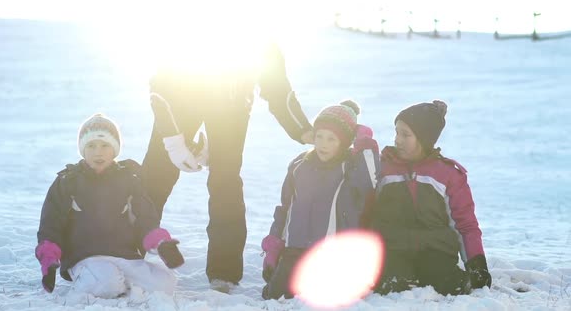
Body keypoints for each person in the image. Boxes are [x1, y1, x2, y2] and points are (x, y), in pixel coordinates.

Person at [141, 43, 314, 287]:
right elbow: (160, 88)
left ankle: (224, 272)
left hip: (230, 110)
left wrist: (302, 129)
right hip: (180, 100)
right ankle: (126, 252)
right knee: (155, 174)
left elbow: (276, 85)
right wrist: (172, 138)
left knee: (226, 182)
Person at [36, 113, 185, 298]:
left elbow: (145, 218)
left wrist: (161, 244)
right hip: (85, 257)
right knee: (108, 285)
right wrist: (49, 260)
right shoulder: (68, 181)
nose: (98, 152)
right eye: (91, 146)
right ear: (82, 149)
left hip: (123, 255)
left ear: (115, 149)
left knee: (166, 285)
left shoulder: (129, 178)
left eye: (105, 145)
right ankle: (95, 281)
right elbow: (51, 224)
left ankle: (120, 281)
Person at [361, 100, 492, 296]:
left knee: (448, 284)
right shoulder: (383, 169)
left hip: (435, 248)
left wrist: (476, 263)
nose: (397, 140)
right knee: (392, 285)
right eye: (397, 132)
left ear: (424, 139)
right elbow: (363, 210)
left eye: (405, 134)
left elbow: (464, 224)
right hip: (392, 248)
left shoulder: (447, 175)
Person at [260, 100, 380, 300]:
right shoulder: (299, 165)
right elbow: (285, 207)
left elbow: (371, 180)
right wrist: (274, 244)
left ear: (345, 141)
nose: (323, 144)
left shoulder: (351, 167)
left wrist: (365, 143)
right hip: (295, 249)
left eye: (332, 139)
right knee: (276, 295)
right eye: (319, 136)